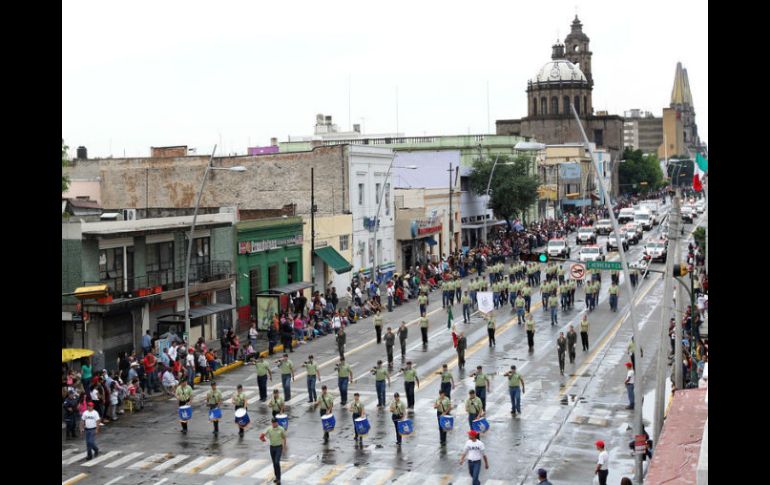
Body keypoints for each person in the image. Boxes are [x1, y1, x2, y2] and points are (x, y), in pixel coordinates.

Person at [261, 418, 287, 485]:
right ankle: (276, 477)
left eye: (274, 423)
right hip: (272, 447)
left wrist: (284, 447)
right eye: (272, 423)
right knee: (274, 463)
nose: (273, 424)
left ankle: (278, 478)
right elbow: (262, 434)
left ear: (277, 423)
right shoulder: (269, 429)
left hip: (279, 447)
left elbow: (284, 438)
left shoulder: (281, 429)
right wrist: (262, 438)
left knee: (276, 462)